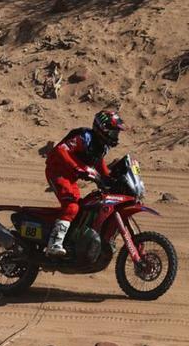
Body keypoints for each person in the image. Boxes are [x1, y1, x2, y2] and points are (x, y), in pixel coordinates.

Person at [43, 109, 127, 257]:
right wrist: (78, 168)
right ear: (104, 129)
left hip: (71, 177)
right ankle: (54, 244)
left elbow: (100, 166)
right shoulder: (85, 137)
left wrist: (112, 180)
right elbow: (61, 150)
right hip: (58, 172)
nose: (116, 136)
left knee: (85, 208)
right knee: (71, 206)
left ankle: (73, 241)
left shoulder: (101, 146)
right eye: (114, 132)